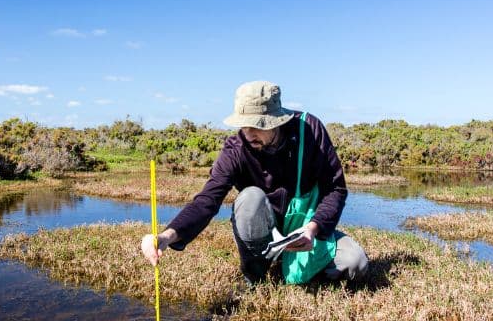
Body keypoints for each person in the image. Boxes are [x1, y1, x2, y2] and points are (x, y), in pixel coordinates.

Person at [141, 80, 368, 285]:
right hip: (262, 228)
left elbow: (335, 189)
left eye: (257, 126)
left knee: (355, 263)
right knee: (250, 198)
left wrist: (312, 228)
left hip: (304, 228)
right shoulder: (235, 150)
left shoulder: (310, 131)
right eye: (243, 125)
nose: (248, 133)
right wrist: (166, 237)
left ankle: (294, 265)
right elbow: (206, 201)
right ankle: (255, 274)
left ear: (277, 121)